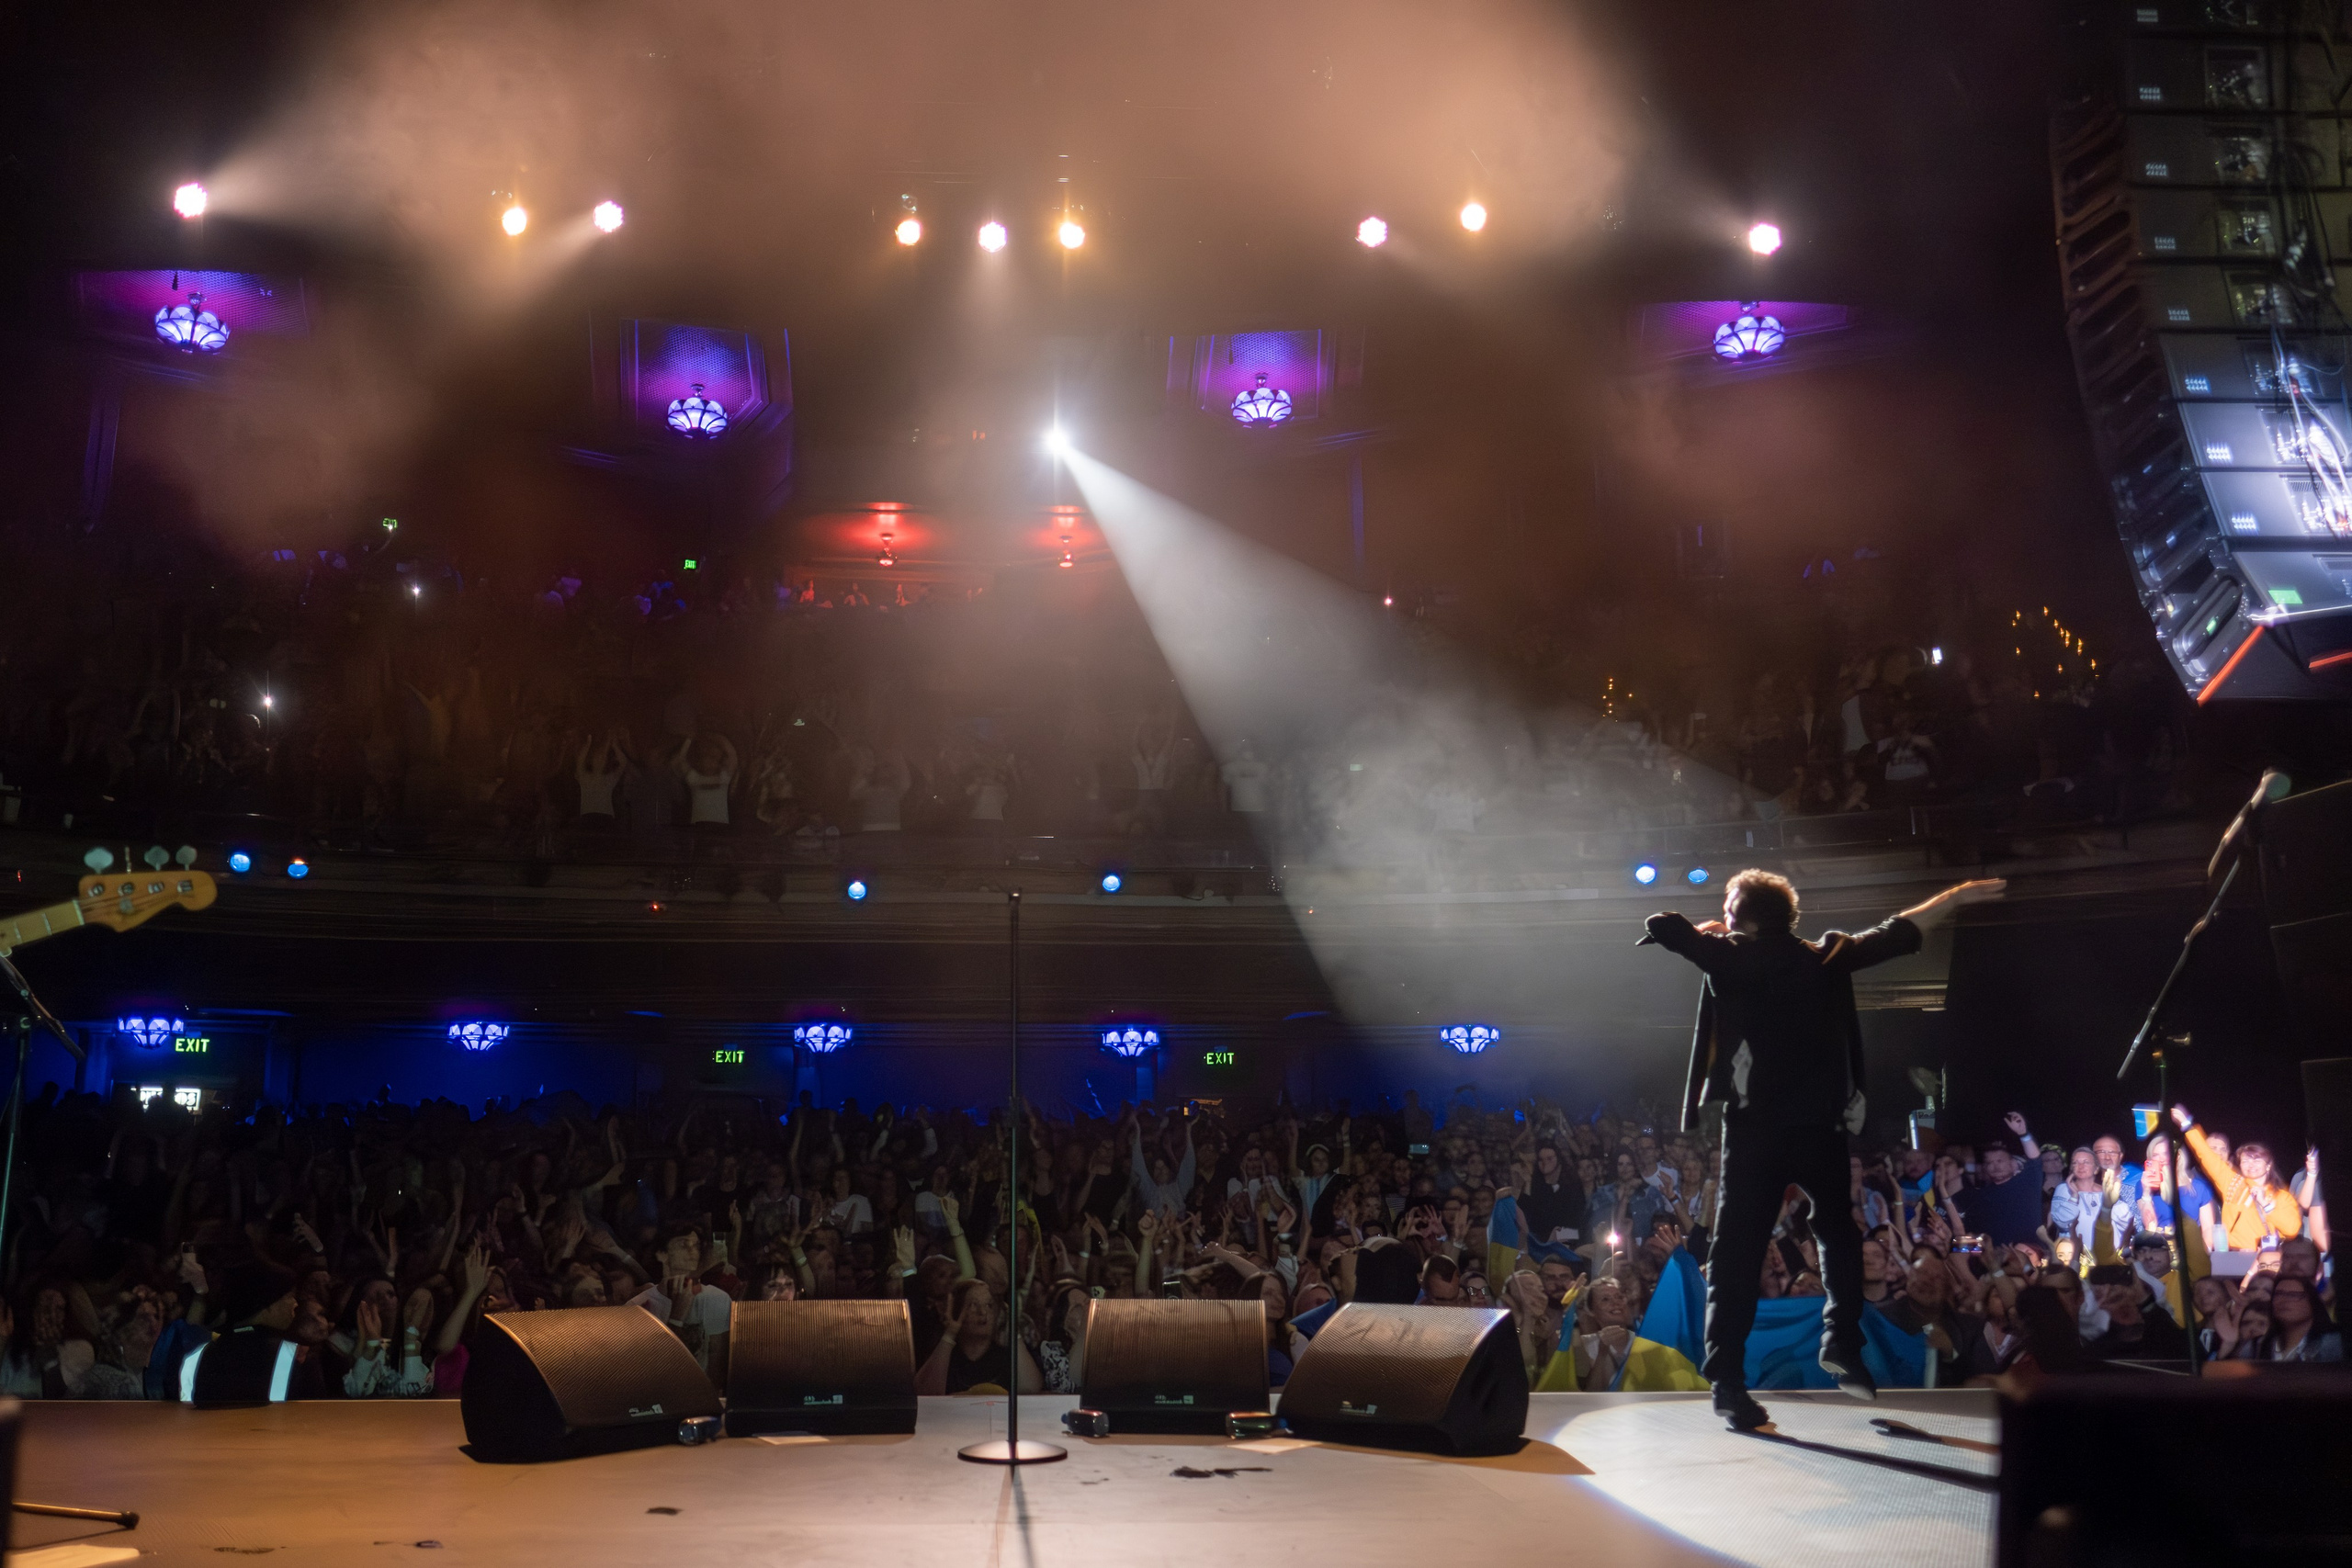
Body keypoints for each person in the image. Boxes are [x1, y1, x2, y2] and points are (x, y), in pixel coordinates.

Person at [1641, 869, 2006, 1430]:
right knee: (1837, 1231)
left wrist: (1711, 936)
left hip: (1755, 1130)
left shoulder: (1730, 959)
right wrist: (1955, 897)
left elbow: (1660, 924)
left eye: (1729, 904)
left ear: (1744, 913)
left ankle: (1729, 1383)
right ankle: (1841, 1342)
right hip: (1819, 1126)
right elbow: (1900, 929)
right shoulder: (1824, 959)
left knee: (1737, 1254)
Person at [2172, 1106, 2301, 1252]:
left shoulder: (2282, 1197)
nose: (2251, 1165)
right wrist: (2187, 1125)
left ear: (2268, 1166)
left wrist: (2266, 1205)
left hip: (2265, 1259)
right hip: (2232, 1255)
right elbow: (2207, 1155)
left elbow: (2292, 1230)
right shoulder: (2232, 1181)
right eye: (2246, 1161)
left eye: (2257, 1160)